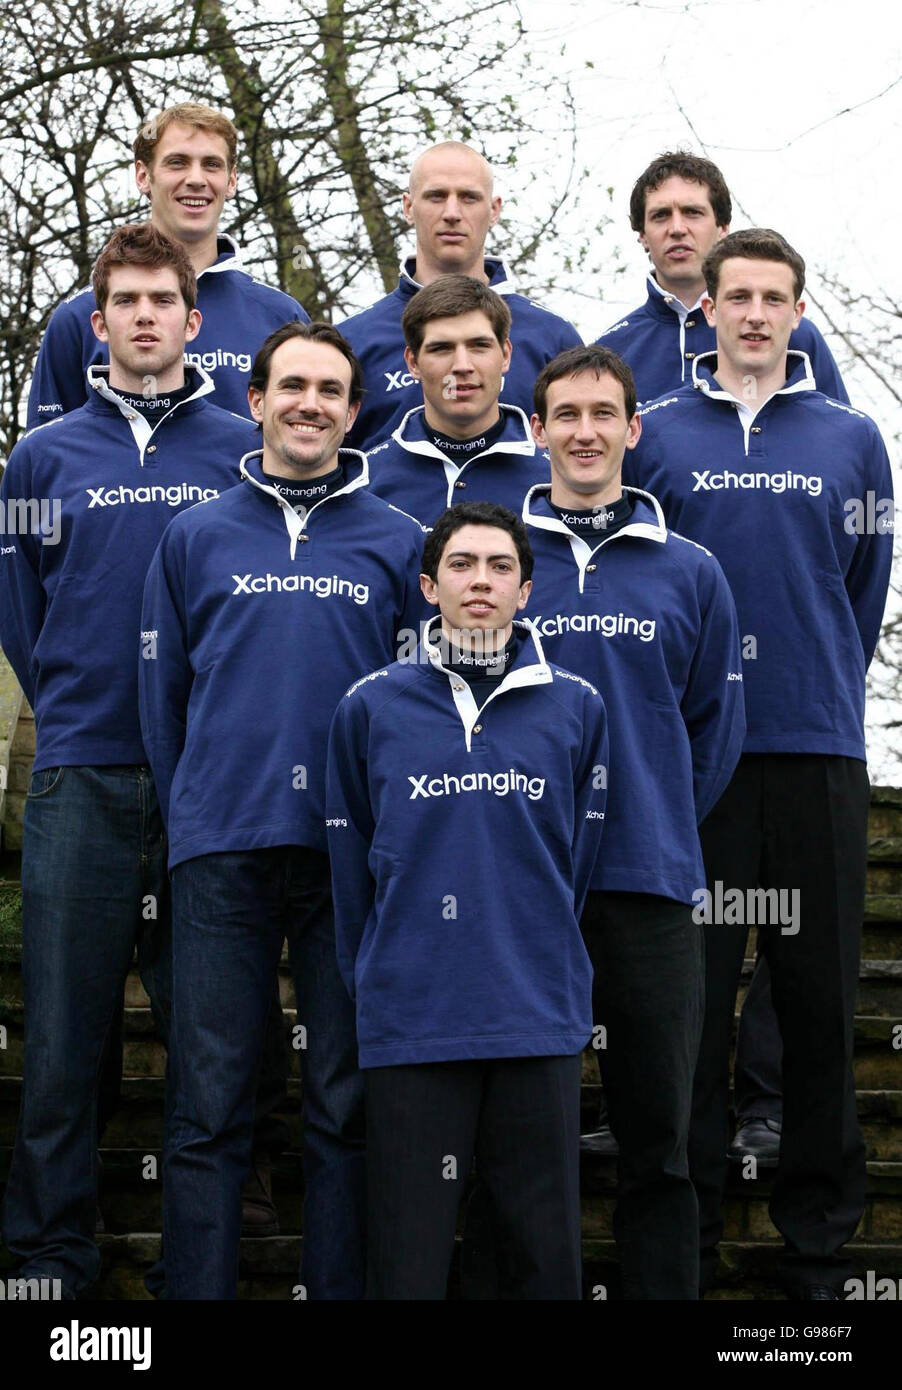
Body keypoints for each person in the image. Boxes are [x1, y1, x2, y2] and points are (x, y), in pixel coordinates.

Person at [624, 228, 893, 1298]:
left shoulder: (850, 436)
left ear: (793, 311)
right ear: (709, 308)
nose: (749, 314)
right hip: (694, 763)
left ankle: (818, 1238)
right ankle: (679, 1241)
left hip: (814, 746)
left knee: (819, 1001)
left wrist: (813, 673)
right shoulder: (656, 436)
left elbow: (858, 586)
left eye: (770, 298)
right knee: (686, 1011)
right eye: (733, 296)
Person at [139, 321, 427, 1300]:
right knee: (207, 1108)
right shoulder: (194, 534)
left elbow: (416, 708)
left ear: (353, 412)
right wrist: (192, 813)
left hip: (350, 862)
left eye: (330, 390)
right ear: (254, 400)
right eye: (290, 386)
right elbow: (163, 696)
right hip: (219, 850)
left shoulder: (398, 543)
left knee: (344, 1105)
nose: (309, 404)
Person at [0, 223, 257, 1298]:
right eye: (126, 303)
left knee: (213, 1044)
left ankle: (205, 1263)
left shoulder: (242, 444)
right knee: (64, 1034)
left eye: (164, 300)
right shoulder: (40, 458)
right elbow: (21, 617)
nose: (146, 317)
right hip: (83, 771)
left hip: (208, 780)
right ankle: (50, 1254)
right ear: (95, 325)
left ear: (194, 320)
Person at [326, 501, 608, 1299]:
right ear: (427, 585)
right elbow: (353, 868)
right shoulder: (369, 706)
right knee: (406, 1262)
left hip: (536, 1012)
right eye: (460, 565)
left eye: (499, 567)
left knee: (541, 1260)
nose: (479, 581)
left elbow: (574, 864)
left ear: (526, 591)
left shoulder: (577, 706)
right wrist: (378, 980)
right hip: (412, 1018)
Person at [522, 344, 744, 1297]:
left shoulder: (691, 571)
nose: (583, 431)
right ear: (535, 431)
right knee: (520, 1145)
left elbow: (711, 729)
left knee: (662, 1140)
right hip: (517, 889)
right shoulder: (490, 558)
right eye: (564, 414)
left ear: (632, 429)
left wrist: (651, 817)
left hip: (649, 882)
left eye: (601, 414)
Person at [27, 102, 309, 425]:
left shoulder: (282, 317)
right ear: (144, 176)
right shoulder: (78, 318)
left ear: (231, 181)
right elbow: (46, 461)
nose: (196, 179)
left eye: (212, 165)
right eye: (177, 163)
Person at [340, 142, 581, 451]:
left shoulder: (552, 337)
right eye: (436, 196)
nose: (452, 213)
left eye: (469, 198)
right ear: (408, 207)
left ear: (494, 209)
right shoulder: (352, 340)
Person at [595, 151, 847, 406]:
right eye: (661, 215)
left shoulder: (793, 334)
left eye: (692, 212)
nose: (677, 229)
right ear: (642, 235)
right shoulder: (610, 351)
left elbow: (839, 434)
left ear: (722, 228)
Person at [366, 275, 549, 525]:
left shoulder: (556, 480)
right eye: (441, 348)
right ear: (413, 363)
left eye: (479, 346)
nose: (462, 366)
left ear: (505, 355)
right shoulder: (365, 480)